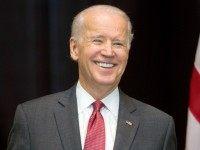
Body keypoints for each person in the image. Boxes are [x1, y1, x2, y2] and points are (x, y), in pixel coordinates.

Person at [7, 5, 177, 150]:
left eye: (118, 43)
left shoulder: (159, 126)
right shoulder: (32, 119)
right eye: (98, 40)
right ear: (74, 48)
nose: (108, 52)